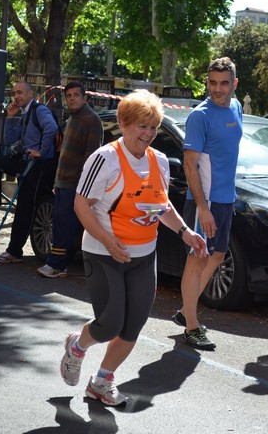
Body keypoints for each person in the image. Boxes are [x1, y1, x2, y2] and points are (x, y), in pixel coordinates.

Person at [59, 89, 207, 406]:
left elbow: (161, 205)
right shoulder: (104, 159)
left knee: (131, 326)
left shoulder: (161, 161)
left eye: (152, 126)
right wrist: (109, 241)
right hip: (103, 253)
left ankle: (101, 382)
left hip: (143, 255)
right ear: (125, 124)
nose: (148, 133)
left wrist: (185, 232)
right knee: (109, 322)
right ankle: (78, 345)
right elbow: (81, 205)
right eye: (142, 126)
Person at [171, 57, 242, 350]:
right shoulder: (200, 116)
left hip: (226, 199)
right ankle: (191, 326)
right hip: (206, 201)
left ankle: (186, 310)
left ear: (234, 84)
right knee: (197, 260)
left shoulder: (236, 108)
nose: (217, 89)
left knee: (217, 256)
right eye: (212, 83)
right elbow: (190, 166)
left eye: (224, 83)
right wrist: (202, 207)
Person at [0, 81, 59, 263]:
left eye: (20, 93)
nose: (16, 96)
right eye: (15, 93)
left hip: (38, 166)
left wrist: (41, 150)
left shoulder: (39, 110)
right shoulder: (25, 114)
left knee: (25, 207)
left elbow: (52, 128)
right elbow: (9, 139)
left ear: (31, 93)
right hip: (24, 161)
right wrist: (10, 117)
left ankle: (14, 252)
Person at [37, 82, 103, 278]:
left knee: (64, 225)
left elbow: (91, 158)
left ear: (85, 98)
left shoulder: (92, 120)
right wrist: (57, 182)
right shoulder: (73, 118)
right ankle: (57, 263)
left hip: (76, 185)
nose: (72, 98)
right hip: (63, 182)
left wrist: (82, 187)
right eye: (69, 95)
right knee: (59, 224)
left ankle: (57, 264)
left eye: (76, 95)